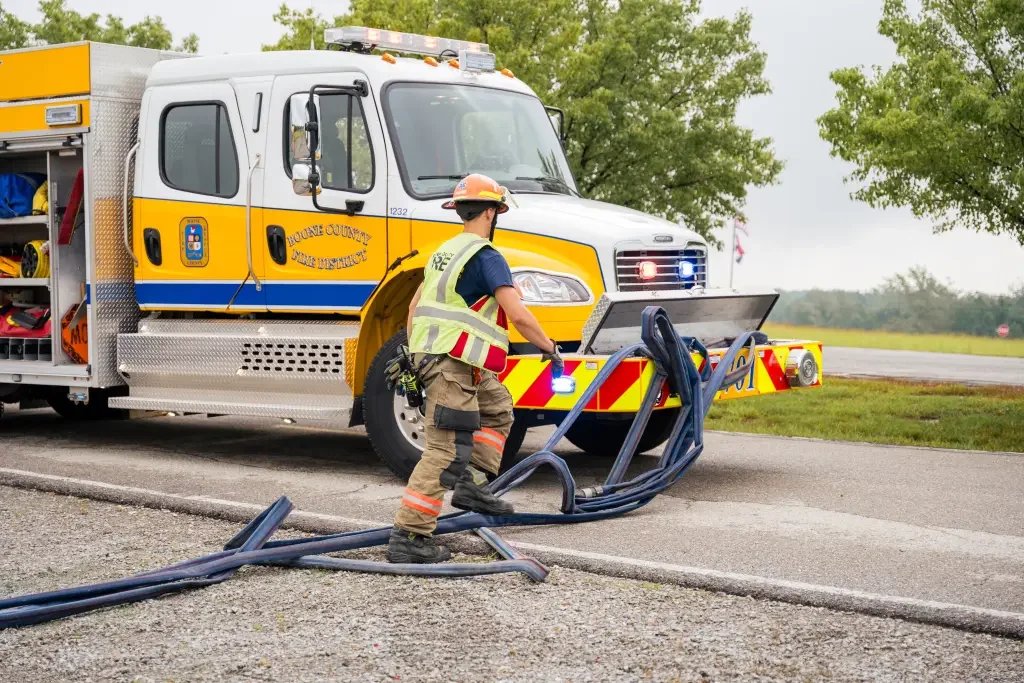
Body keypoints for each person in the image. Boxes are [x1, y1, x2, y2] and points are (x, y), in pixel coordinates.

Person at [386, 173, 564, 564]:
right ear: (491, 212)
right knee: (444, 450)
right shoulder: (486, 257)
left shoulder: (443, 253)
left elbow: (415, 308)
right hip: (450, 366)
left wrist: (417, 358)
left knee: (498, 407)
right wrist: (549, 346)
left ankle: (472, 483)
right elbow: (517, 314)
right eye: (497, 210)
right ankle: (410, 535)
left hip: (451, 363)